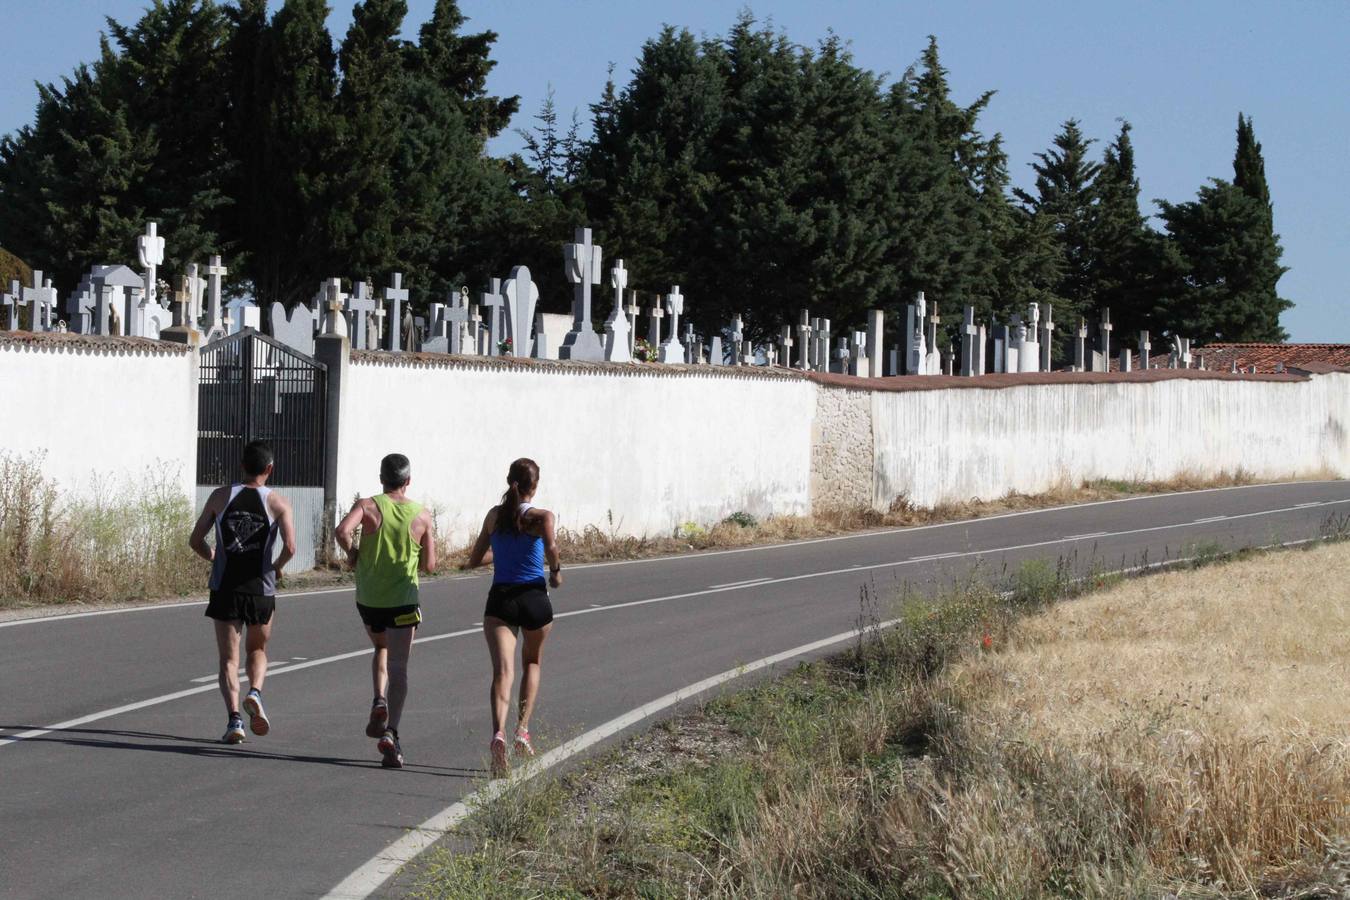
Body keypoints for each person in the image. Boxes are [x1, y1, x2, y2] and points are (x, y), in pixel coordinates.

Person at [189, 440, 297, 744]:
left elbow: (195, 540)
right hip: (260, 588)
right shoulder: (278, 502)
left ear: (242, 466)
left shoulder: (220, 496)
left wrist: (213, 555)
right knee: (258, 650)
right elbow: (290, 547)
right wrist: (276, 567)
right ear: (269, 469)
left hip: (225, 586)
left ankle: (235, 720)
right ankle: (255, 692)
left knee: (228, 659)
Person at [335, 453, 436, 769]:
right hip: (404, 601)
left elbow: (341, 531)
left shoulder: (367, 505)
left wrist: (354, 553)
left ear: (382, 479)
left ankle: (378, 699)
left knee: (380, 647)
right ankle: (391, 731)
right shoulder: (422, 515)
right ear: (408, 481)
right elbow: (430, 565)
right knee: (399, 665)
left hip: (370, 600)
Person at [464, 458, 562, 777]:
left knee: (501, 673)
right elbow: (551, 546)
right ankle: (522, 730)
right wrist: (557, 572)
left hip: (501, 599)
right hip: (534, 598)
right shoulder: (542, 517)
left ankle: (498, 735)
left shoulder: (495, 516)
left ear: (510, 482)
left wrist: (495, 556)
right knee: (531, 662)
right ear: (535, 486)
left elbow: (477, 557)